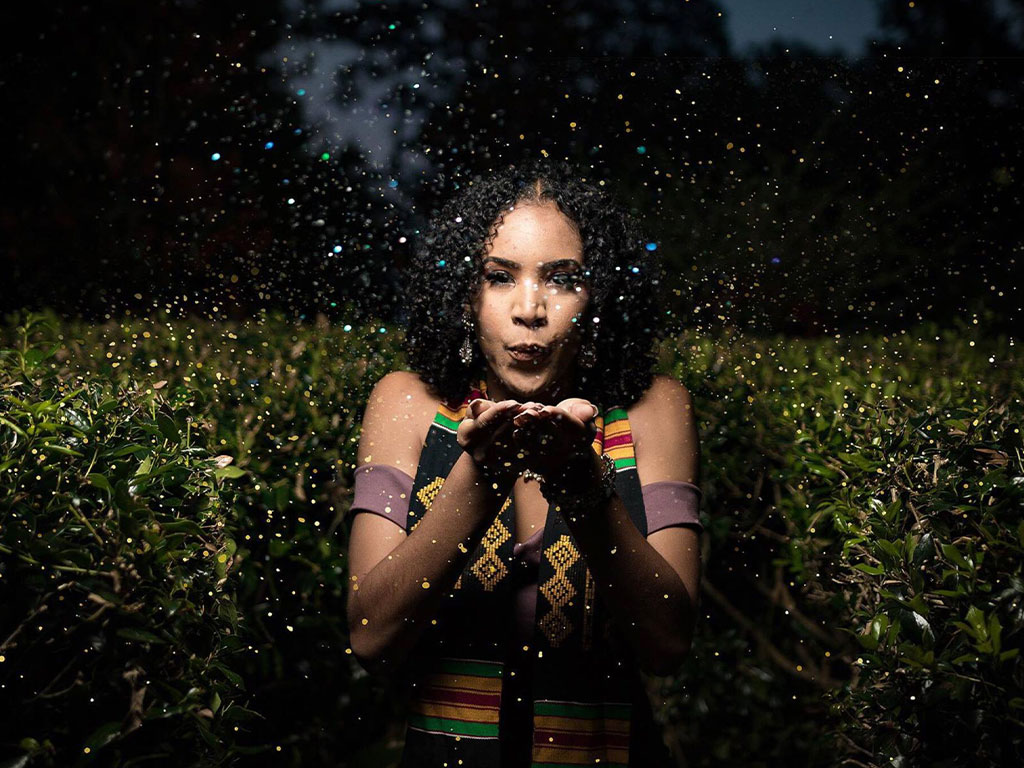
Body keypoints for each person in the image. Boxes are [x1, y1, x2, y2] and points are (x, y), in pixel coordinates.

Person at [346, 158, 704, 767]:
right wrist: (481, 481)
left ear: (600, 296)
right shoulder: (407, 405)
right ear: (464, 293)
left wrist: (584, 489)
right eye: (499, 276)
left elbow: (667, 644)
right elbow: (371, 635)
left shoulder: (651, 413)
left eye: (563, 279)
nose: (530, 309)